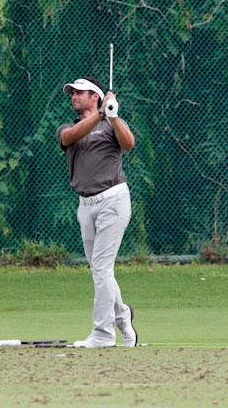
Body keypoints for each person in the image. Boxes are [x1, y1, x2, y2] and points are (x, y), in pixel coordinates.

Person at [56, 77, 138, 348]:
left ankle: (103, 334)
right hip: (85, 205)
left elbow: (129, 143)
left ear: (95, 96)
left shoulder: (111, 123)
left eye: (80, 92)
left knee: (102, 268)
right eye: (72, 93)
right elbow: (70, 138)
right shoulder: (68, 127)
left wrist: (113, 116)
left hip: (113, 200)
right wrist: (102, 113)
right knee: (100, 270)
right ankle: (123, 317)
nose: (74, 96)